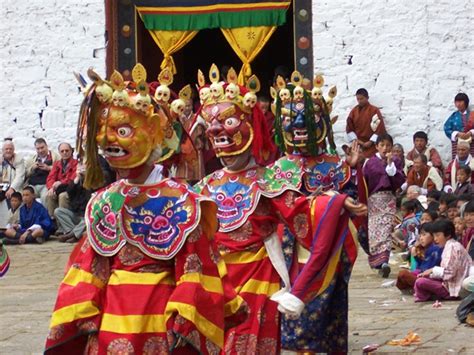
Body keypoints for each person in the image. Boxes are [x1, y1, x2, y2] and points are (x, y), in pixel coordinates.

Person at [45, 65, 244, 354]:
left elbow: (195, 272)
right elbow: (88, 270)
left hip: (158, 323)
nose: (106, 139)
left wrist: (183, 326)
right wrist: (82, 320)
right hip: (109, 327)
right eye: (103, 130)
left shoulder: (182, 201)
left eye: (122, 130)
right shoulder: (104, 199)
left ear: (153, 131)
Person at [195, 67, 364, 354]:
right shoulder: (205, 185)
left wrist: (334, 202)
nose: (216, 130)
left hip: (259, 275)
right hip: (217, 279)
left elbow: (301, 211)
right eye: (212, 124)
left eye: (229, 121)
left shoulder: (268, 179)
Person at [270, 72, 366, 353]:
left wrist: (353, 171)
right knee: (300, 323)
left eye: (308, 119)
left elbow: (352, 202)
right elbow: (285, 207)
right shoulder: (279, 169)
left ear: (323, 122)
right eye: (289, 119)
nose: (299, 125)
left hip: (330, 252)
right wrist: (332, 201)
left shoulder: (335, 164)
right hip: (292, 251)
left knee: (326, 310)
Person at [363, 133, 405, 277]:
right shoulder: (370, 163)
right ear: (377, 146)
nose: (385, 148)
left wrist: (390, 165)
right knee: (374, 231)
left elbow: (399, 180)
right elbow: (365, 183)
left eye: (388, 145)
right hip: (374, 200)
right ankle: (378, 262)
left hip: (388, 199)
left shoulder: (395, 161)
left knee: (386, 230)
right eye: (382, 145)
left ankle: (385, 261)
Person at [414, 219, 471, 302]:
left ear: (447, 235)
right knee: (422, 279)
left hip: (454, 288)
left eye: (438, 235)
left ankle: (428, 296)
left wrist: (432, 270)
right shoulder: (449, 245)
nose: (435, 239)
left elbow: (449, 272)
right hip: (451, 282)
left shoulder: (452, 247)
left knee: (420, 282)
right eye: (434, 236)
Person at [396, 223, 442, 291]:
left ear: (433, 236)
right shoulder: (426, 248)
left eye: (424, 235)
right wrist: (416, 256)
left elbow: (427, 268)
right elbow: (421, 265)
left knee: (403, 274)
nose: (421, 238)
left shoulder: (436, 249)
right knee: (401, 278)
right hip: (423, 276)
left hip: (431, 279)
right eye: (420, 235)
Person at [54, 160, 89, 243]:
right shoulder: (75, 183)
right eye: (79, 168)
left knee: (87, 221)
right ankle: (73, 233)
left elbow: (89, 195)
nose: (81, 171)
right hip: (76, 214)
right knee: (58, 211)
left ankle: (72, 235)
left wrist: (86, 178)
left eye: (83, 168)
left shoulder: (91, 182)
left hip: (86, 215)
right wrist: (76, 179)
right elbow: (69, 191)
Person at [346, 88, 387, 158]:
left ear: (367, 98)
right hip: (359, 145)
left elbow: (380, 128)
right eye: (358, 99)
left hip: (373, 145)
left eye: (361, 99)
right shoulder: (353, 112)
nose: (359, 101)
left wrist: (370, 142)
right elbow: (349, 128)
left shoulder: (374, 110)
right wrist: (358, 141)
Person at [45, 143, 77, 217]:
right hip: (58, 189)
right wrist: (51, 188)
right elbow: (50, 177)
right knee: (49, 195)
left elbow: (73, 178)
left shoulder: (75, 163)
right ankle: (52, 219)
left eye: (67, 150)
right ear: (59, 152)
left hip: (71, 189)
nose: (64, 153)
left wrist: (61, 183)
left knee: (62, 196)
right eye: (62, 151)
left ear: (71, 151)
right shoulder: (57, 164)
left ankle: (63, 221)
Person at [25, 138, 59, 206]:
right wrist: (32, 168)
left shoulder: (55, 157)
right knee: (26, 195)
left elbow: (60, 170)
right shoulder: (32, 159)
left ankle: (46, 215)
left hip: (46, 184)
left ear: (47, 146)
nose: (40, 150)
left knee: (46, 197)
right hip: (33, 185)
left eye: (42, 147)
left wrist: (49, 168)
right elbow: (25, 174)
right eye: (38, 149)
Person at [0, 140, 26, 227]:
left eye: (10, 149)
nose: (8, 151)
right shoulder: (0, 159)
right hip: (2, 186)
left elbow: (20, 176)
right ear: (2, 150)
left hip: (14, 186)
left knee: (12, 196)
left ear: (13, 150)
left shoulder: (18, 159)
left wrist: (12, 188)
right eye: (6, 149)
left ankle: (12, 223)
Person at [444, 93, 474, 160]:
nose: (458, 104)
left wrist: (471, 133)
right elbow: (446, 128)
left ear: (466, 102)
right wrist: (458, 134)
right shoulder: (453, 116)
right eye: (456, 102)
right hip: (458, 143)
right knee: (458, 161)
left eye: (460, 101)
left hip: (472, 143)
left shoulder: (472, 115)